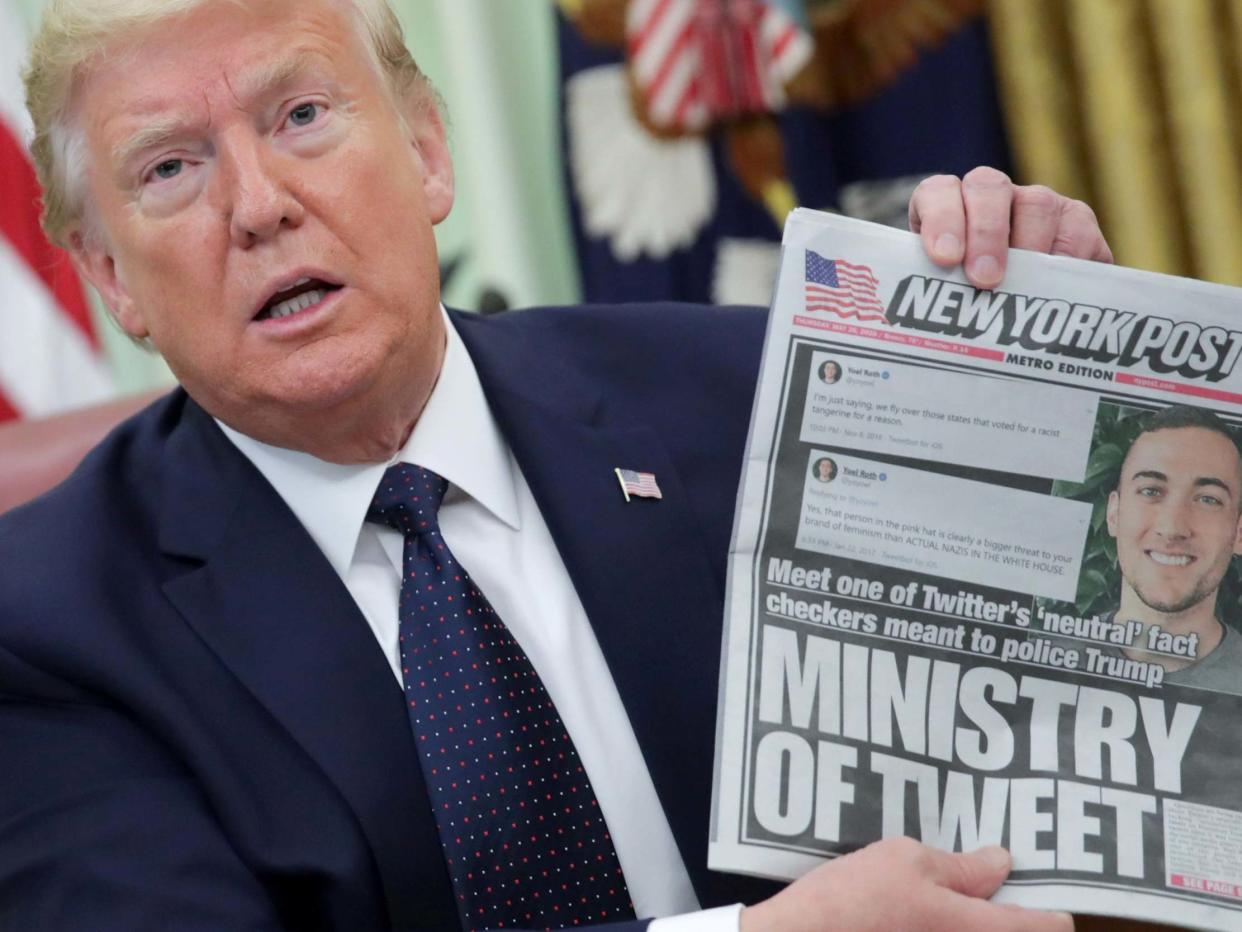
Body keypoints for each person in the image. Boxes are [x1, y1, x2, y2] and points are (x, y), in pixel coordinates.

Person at [0, 0, 1112, 929]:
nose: (258, 205)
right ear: (111, 280)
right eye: (171, 168)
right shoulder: (45, 628)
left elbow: (1083, 713)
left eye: (299, 115)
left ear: (429, 151)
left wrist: (1057, 382)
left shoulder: (760, 399)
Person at [1103, 405, 1242, 693]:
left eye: (1208, 499)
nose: (1172, 528)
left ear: (1239, 532)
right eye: (1151, 491)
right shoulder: (1038, 655)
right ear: (1114, 514)